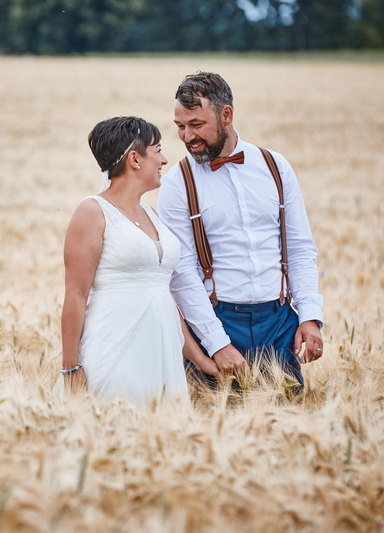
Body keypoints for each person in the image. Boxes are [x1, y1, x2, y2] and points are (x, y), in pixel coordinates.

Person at [157, 72, 323, 389]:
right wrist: (217, 343)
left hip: (278, 322)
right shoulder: (178, 183)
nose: (186, 136)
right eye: (180, 126)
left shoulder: (276, 166)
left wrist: (310, 317)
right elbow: (182, 273)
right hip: (215, 320)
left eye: (196, 124)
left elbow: (300, 248)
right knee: (207, 431)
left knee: (286, 426)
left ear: (226, 115)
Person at [61, 116, 220, 404]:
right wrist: (70, 366)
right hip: (113, 351)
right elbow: (75, 294)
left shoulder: (151, 214)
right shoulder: (92, 211)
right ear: (135, 159)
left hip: (161, 356)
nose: (164, 160)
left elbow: (162, 295)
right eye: (157, 150)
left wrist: (199, 360)